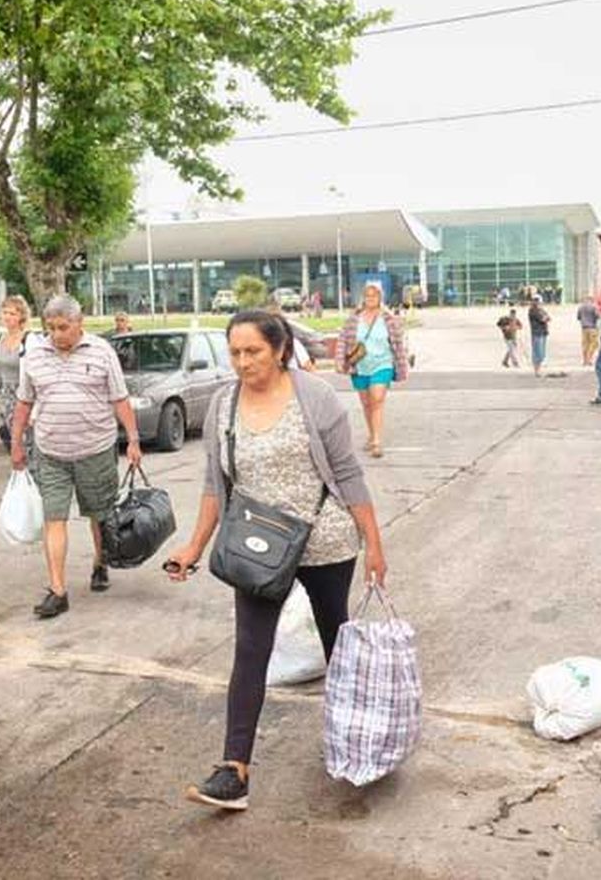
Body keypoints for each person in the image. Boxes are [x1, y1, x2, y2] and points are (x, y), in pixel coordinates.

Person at [163, 311, 388, 812]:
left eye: (254, 352)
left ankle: (365, 743)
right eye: (236, 353)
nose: (243, 362)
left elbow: (348, 473)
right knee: (250, 651)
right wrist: (194, 546)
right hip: (256, 550)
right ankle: (233, 771)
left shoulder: (316, 397)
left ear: (280, 349)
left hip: (324, 541)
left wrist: (373, 543)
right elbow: (214, 484)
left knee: (340, 648)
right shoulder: (223, 406)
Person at [9, 296, 143, 619]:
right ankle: (58, 590)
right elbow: (24, 402)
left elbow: (119, 398)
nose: (57, 334)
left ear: (79, 323)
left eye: (63, 327)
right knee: (54, 518)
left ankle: (100, 562)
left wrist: (134, 440)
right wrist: (16, 442)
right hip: (51, 451)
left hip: (95, 449)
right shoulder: (35, 355)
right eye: (51, 328)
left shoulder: (101, 351)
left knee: (99, 513)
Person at [337, 282, 408, 459]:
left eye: (374, 296)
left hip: (382, 363)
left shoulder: (388, 318)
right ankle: (371, 434)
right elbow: (343, 340)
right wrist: (339, 361)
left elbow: (398, 343)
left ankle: (377, 441)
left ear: (380, 298)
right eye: (367, 296)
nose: (370, 299)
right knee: (367, 403)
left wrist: (402, 365)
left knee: (377, 399)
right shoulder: (354, 318)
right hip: (360, 366)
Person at [0, 295, 38, 451]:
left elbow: (34, 374)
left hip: (24, 395)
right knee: (14, 443)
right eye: (5, 312)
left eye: (12, 313)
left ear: (21, 316)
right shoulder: (2, 338)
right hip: (7, 396)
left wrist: (34, 408)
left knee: (27, 443)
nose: (7, 317)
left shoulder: (29, 339)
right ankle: (20, 472)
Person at [528, 296, 551, 377]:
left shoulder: (541, 310)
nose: (539, 303)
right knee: (538, 353)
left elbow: (548, 317)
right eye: (537, 302)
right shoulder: (533, 311)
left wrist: (546, 317)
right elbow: (543, 319)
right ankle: (537, 370)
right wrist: (545, 317)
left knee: (542, 353)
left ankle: (538, 369)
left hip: (543, 332)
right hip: (537, 333)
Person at [576, 295, 600, 365]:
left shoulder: (580, 307)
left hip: (584, 328)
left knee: (585, 345)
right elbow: (597, 316)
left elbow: (578, 317)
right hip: (593, 328)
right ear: (591, 300)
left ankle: (585, 360)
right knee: (594, 344)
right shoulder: (594, 307)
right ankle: (589, 359)